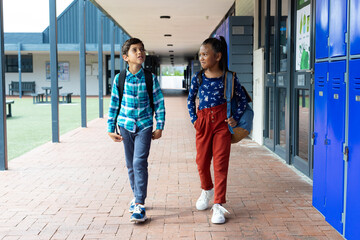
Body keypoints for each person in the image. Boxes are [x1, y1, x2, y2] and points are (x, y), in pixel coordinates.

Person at [187, 36, 248, 224]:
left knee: (220, 164)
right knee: (202, 162)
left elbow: (243, 100)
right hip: (203, 123)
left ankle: (218, 205)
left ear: (218, 56)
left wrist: (235, 118)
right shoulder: (198, 78)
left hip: (222, 124)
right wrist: (195, 120)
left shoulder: (230, 78)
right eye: (200, 55)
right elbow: (190, 100)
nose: (202, 58)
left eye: (205, 54)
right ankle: (207, 190)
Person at [107, 38, 165, 223]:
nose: (140, 52)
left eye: (142, 49)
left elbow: (158, 103)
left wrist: (160, 125)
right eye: (135, 50)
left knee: (140, 162)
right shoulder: (119, 78)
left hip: (145, 126)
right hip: (125, 126)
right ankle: (136, 196)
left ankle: (139, 204)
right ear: (126, 57)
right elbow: (114, 104)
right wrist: (110, 128)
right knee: (131, 164)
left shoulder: (150, 78)